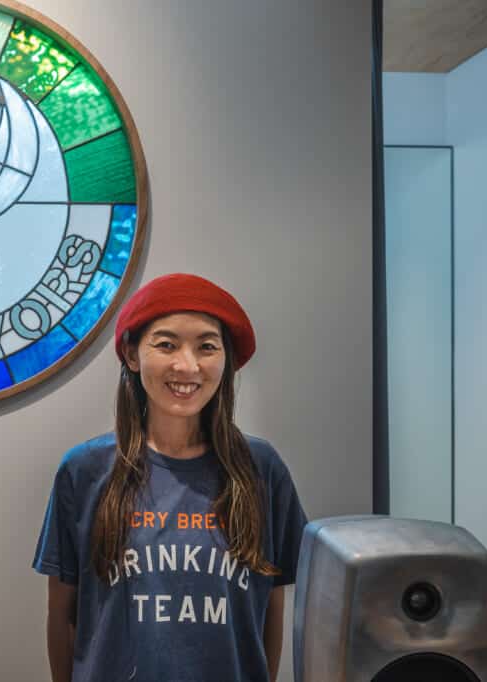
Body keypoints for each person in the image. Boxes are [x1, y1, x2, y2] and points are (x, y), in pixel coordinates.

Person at [32, 273, 309, 682]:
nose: (188, 365)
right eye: (166, 344)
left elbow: (270, 608)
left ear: (226, 360)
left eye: (207, 347)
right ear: (131, 354)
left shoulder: (261, 468)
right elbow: (62, 616)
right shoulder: (84, 471)